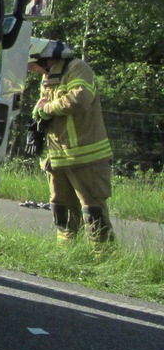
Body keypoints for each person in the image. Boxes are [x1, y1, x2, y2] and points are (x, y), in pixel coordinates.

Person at [28, 38, 115, 242]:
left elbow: (80, 98)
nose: (31, 70)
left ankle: (102, 258)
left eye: (30, 65)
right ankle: (66, 255)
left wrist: (45, 109)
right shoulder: (48, 76)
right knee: (62, 211)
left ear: (42, 59)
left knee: (93, 211)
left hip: (85, 156)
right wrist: (37, 114)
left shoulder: (77, 68)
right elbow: (46, 108)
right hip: (57, 158)